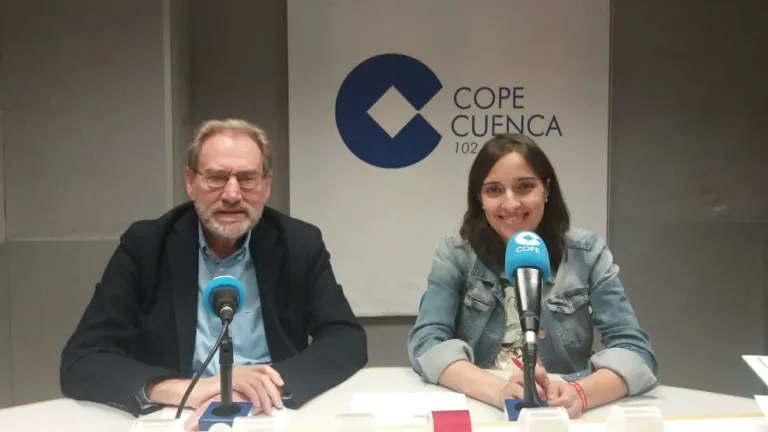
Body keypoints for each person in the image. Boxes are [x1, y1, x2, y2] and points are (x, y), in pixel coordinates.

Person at [60, 119, 367, 428]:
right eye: (217, 178)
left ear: (266, 185)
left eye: (247, 179)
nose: (232, 194)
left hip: (271, 411)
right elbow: (83, 360)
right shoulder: (146, 246)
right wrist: (188, 389)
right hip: (176, 415)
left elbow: (346, 339)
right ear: (190, 182)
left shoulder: (298, 243)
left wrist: (263, 385)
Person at [407, 133, 658, 418]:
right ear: (480, 198)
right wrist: (498, 391)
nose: (511, 204)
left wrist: (580, 392)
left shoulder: (587, 253)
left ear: (546, 190)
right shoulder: (455, 253)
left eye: (524, 187)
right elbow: (427, 343)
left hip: (561, 411)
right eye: (494, 190)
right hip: (483, 408)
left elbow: (635, 350)